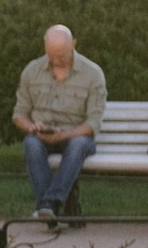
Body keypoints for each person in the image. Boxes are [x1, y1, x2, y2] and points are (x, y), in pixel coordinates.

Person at [13, 22, 106, 231]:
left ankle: (49, 203)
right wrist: (32, 127)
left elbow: (92, 124)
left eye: (61, 55)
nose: (56, 60)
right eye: (51, 54)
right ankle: (52, 209)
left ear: (73, 44)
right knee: (31, 144)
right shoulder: (32, 71)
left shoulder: (92, 74)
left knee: (78, 145)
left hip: (76, 134)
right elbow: (19, 115)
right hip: (42, 135)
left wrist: (63, 135)